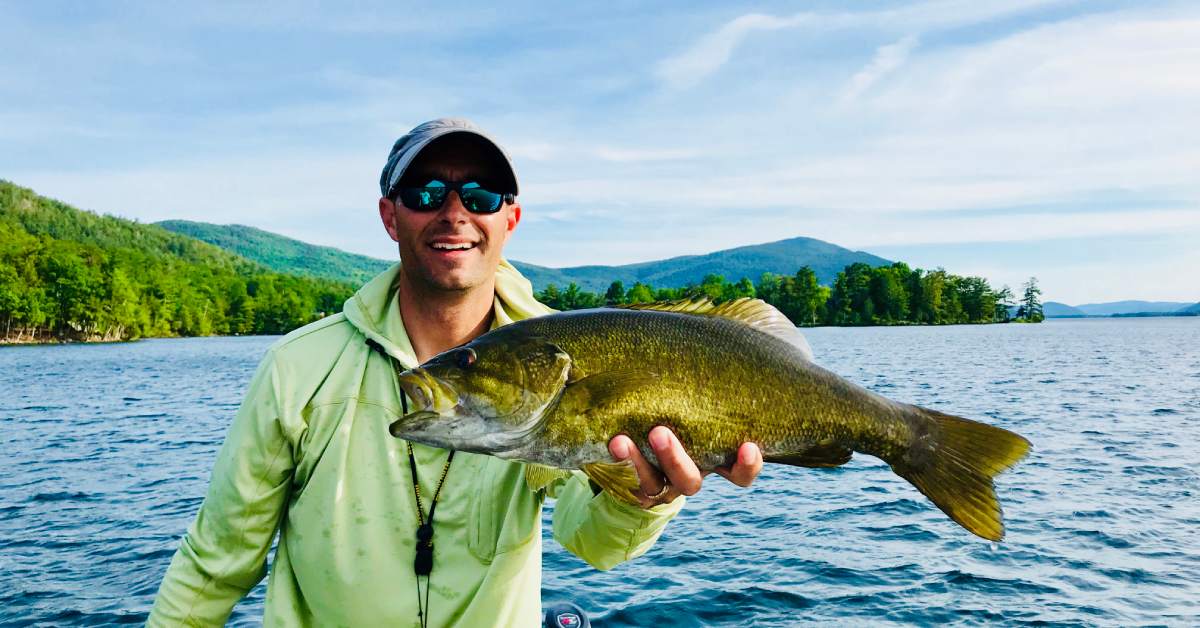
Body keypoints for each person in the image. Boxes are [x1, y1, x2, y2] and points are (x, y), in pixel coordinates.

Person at [149, 118, 764, 626]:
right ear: (390, 216)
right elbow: (214, 564)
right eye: (425, 193)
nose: (454, 213)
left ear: (509, 220)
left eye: (481, 196)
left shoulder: (562, 357)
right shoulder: (296, 368)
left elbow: (593, 541)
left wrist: (647, 496)